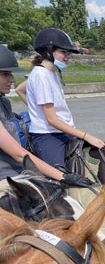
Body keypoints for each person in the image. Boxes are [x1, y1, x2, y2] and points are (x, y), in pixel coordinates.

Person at [0, 44, 91, 187]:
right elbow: (18, 154)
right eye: (5, 74)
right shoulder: (40, 74)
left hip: (18, 173)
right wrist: (62, 176)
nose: (12, 79)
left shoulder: (4, 102)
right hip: (5, 179)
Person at [25, 27, 105, 168]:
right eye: (63, 52)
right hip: (47, 135)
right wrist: (86, 135)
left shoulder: (52, 73)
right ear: (47, 51)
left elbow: (22, 90)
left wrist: (35, 109)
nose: (67, 57)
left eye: (69, 53)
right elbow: (51, 120)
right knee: (60, 178)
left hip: (63, 131)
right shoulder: (40, 75)